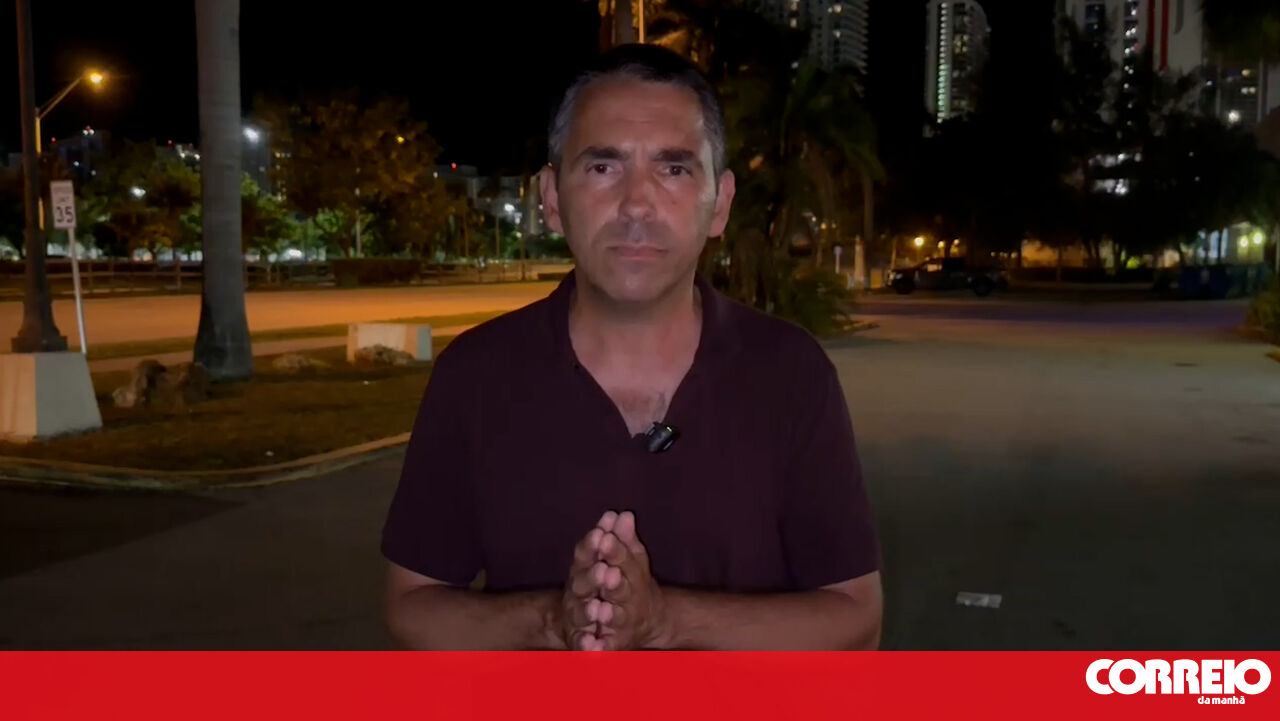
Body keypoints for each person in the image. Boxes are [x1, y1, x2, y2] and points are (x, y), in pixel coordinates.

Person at [382, 43, 882, 651]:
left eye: (674, 169)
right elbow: (412, 606)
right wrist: (552, 620)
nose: (638, 203)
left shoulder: (791, 374)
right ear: (551, 200)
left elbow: (855, 619)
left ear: (720, 205)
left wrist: (665, 620)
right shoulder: (475, 375)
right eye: (603, 167)